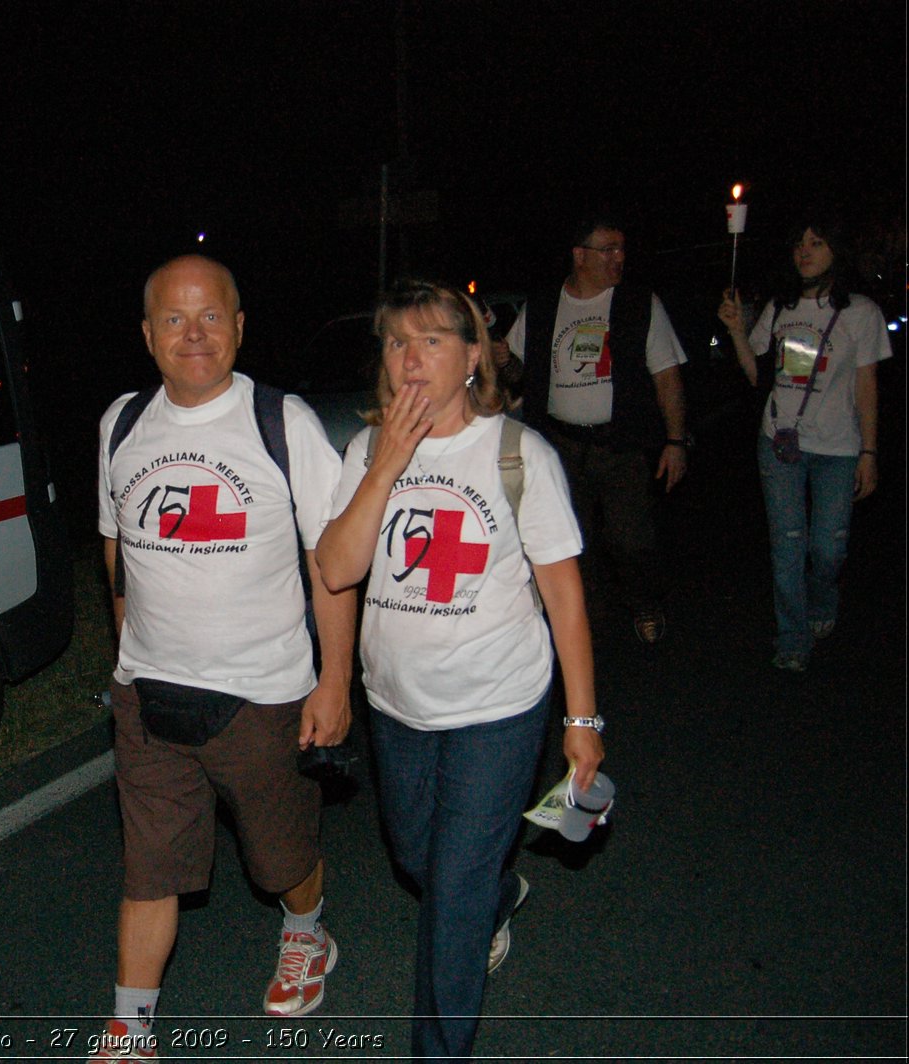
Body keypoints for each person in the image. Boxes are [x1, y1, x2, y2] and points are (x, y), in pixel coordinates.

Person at [316, 278, 604, 1060]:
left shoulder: (518, 453)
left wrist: (582, 722)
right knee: (416, 856)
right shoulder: (365, 450)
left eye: (433, 340)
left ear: (473, 356)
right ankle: (500, 893)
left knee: (450, 896)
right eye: (396, 342)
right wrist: (388, 465)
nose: (411, 359)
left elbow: (564, 598)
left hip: (498, 707)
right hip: (398, 706)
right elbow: (337, 569)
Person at [91, 255, 355, 1061]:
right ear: (147, 335)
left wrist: (335, 681)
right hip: (149, 695)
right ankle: (130, 1029)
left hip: (262, 693)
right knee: (150, 866)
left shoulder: (284, 422)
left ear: (240, 327)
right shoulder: (122, 424)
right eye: (174, 318)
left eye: (212, 317)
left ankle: (307, 931)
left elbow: (332, 565)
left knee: (279, 860)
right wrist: (126, 654)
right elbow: (117, 551)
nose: (194, 334)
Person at [499, 212, 691, 644]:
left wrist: (675, 440)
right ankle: (585, 621)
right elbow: (518, 377)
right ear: (580, 255)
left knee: (631, 539)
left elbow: (667, 377)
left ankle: (645, 600)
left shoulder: (639, 303)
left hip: (620, 444)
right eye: (608, 249)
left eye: (622, 249)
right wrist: (502, 360)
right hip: (561, 445)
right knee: (571, 540)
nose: (619, 258)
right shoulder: (545, 304)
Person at [718, 215, 890, 671]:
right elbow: (758, 376)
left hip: (838, 447)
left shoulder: (861, 312)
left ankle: (823, 595)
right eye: (799, 243)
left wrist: (870, 452)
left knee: (828, 548)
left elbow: (867, 386)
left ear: (836, 250)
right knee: (788, 543)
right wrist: (737, 330)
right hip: (779, 442)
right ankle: (792, 638)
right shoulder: (781, 308)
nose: (805, 252)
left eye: (816, 242)